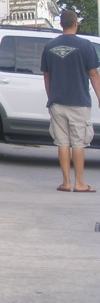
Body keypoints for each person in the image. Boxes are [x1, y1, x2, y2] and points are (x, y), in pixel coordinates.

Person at [41, 10, 100, 193]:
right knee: (79, 143)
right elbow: (93, 73)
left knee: (63, 142)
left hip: (57, 101)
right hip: (79, 101)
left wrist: (51, 98)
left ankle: (66, 182)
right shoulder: (85, 45)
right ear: (76, 24)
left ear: (60, 24)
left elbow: (46, 76)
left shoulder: (49, 46)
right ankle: (79, 183)